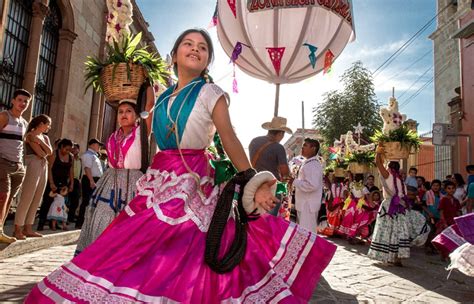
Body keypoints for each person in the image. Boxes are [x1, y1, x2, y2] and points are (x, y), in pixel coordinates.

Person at [26, 29, 336, 303]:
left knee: (184, 247)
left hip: (191, 180)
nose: (195, 48)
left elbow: (229, 137)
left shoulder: (211, 93)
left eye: (203, 47)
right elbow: (144, 129)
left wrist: (253, 180)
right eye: (188, 43)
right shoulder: (160, 100)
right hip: (157, 179)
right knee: (134, 245)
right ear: (174, 55)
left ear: (207, 61)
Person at [75, 98, 149, 255]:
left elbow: (149, 106)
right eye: (120, 112)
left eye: (129, 111)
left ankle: (120, 260)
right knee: (102, 217)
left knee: (130, 222)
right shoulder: (112, 137)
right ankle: (96, 257)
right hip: (111, 181)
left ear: (137, 115)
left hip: (133, 182)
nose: (124, 114)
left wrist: (147, 85)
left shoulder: (141, 133)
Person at [367, 146, 429, 266]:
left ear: (389, 167)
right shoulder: (401, 181)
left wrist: (378, 151)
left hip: (389, 206)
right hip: (401, 208)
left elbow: (378, 163)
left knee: (387, 230)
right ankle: (397, 257)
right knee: (398, 231)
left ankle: (388, 256)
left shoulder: (387, 175)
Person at [13, 114, 53, 239]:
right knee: (27, 196)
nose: (49, 127)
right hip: (33, 163)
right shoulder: (30, 135)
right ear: (41, 124)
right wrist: (42, 149)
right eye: (48, 124)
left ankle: (28, 227)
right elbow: (40, 153)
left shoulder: (44, 137)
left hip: (43, 165)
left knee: (37, 196)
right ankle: (18, 227)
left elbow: (50, 152)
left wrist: (40, 141)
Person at [0, 89, 30, 244]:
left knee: (9, 199)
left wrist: (22, 165)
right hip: (2, 161)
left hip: (18, 166)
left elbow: (20, 145)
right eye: (20, 100)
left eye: (25, 101)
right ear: (13, 101)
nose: (22, 104)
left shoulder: (25, 123)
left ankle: (1, 229)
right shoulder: (5, 116)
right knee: (2, 196)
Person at [249, 116, 292, 215]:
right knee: (268, 221)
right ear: (281, 133)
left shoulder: (254, 141)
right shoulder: (278, 147)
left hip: (254, 185)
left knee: (254, 219)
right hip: (271, 188)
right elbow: (284, 171)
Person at [37, 138, 74, 231]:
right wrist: (51, 182)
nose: (68, 151)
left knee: (60, 203)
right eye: (66, 149)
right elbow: (49, 168)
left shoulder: (71, 157)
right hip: (53, 180)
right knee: (47, 201)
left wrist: (71, 184)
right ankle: (41, 222)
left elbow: (71, 171)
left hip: (64, 182)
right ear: (61, 146)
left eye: (70, 150)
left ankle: (54, 223)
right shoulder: (54, 154)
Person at [291, 138, 323, 232]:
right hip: (305, 204)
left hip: (308, 206)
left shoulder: (312, 164)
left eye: (305, 145)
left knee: (306, 234)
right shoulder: (309, 163)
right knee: (304, 234)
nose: (302, 148)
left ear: (313, 148)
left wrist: (294, 181)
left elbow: (312, 185)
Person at [75, 138, 104, 229]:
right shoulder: (88, 155)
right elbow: (87, 168)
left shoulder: (94, 155)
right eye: (97, 144)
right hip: (89, 179)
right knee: (86, 201)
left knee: (93, 201)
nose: (99, 146)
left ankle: (88, 222)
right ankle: (80, 222)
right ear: (92, 145)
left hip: (95, 180)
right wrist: (91, 181)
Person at [67, 143, 82, 223]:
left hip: (77, 181)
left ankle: (71, 217)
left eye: (76, 148)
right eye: (74, 148)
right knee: (67, 200)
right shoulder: (69, 158)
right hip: (69, 180)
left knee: (75, 201)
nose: (74, 150)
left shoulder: (80, 160)